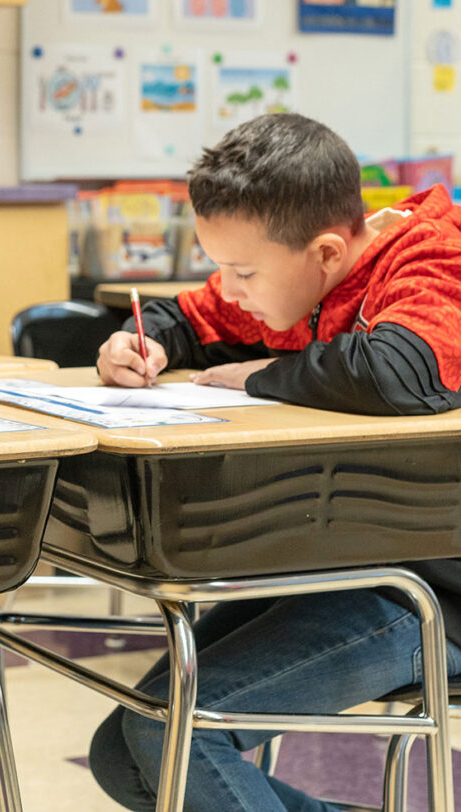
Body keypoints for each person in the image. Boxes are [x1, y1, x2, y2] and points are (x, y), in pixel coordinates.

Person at [90, 113, 461, 812]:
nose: (229, 290)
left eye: (242, 271)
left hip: (431, 594)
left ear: (325, 253)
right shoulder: (291, 279)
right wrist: (140, 343)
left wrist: (259, 374)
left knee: (176, 734)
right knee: (125, 751)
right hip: (338, 566)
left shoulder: (433, 259)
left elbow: (399, 372)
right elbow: (192, 316)